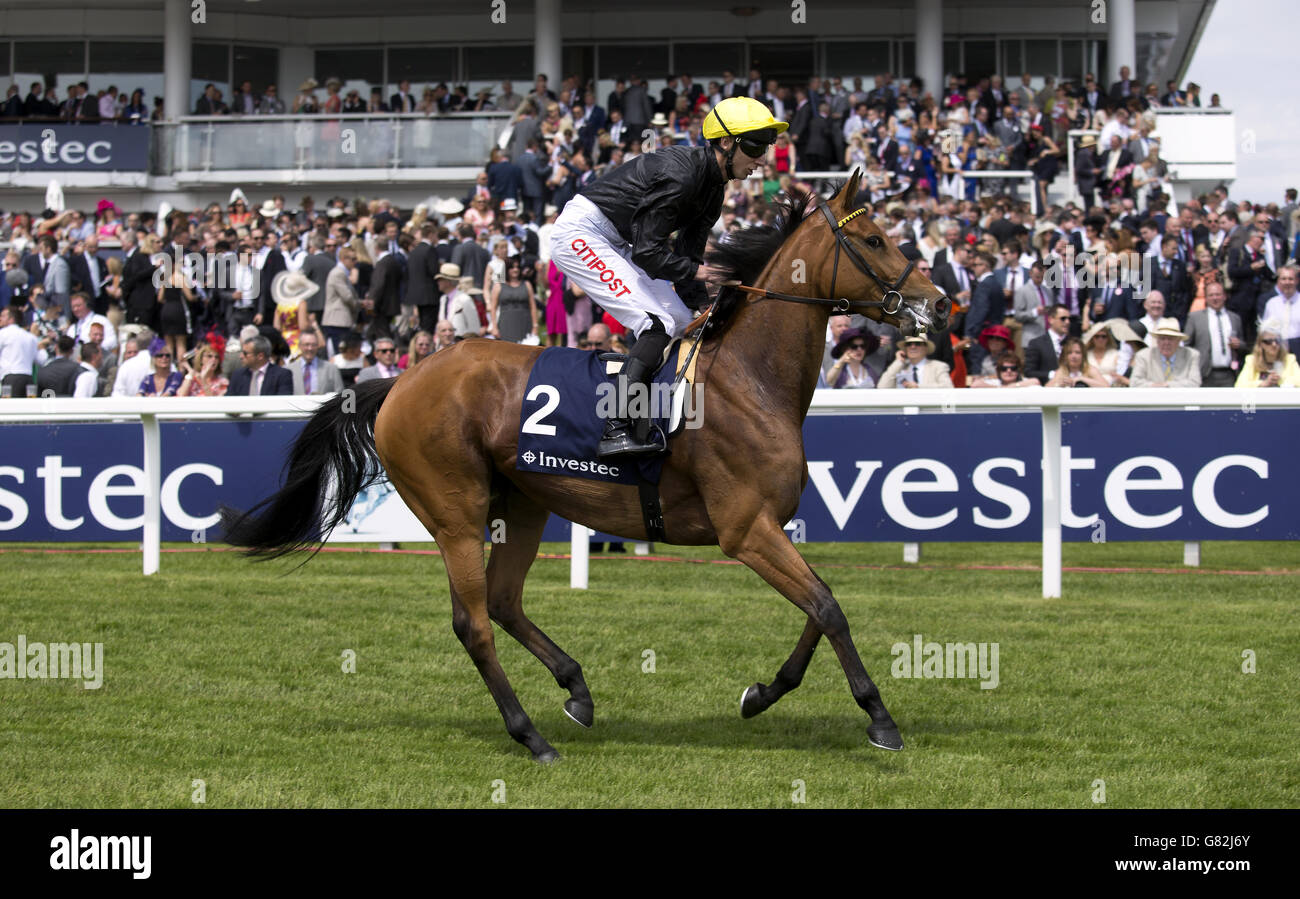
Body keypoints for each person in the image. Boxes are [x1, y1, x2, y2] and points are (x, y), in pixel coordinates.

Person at [550, 95, 787, 457]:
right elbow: (649, 253)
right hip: (582, 233)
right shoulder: (683, 174)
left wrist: (703, 305)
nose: (762, 159)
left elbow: (686, 258)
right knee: (658, 321)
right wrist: (705, 272)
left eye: (766, 148)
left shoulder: (713, 189)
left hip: (616, 239)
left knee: (679, 318)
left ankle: (647, 416)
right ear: (726, 142)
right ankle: (616, 426)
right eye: (755, 146)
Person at [1184, 280, 1243, 387]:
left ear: (1224, 296)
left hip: (1229, 373)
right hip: (1205, 373)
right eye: (1211, 295)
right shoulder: (1195, 318)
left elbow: (1243, 345)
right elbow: (1186, 345)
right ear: (1206, 298)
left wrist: (1239, 344)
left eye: (1218, 294)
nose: (1215, 298)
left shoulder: (1235, 318)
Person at [1129, 318, 1202, 387]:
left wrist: (1167, 385)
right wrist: (1154, 386)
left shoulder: (1191, 355)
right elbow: (1134, 382)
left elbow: (1195, 382)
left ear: (1179, 340)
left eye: (1171, 339)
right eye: (1162, 338)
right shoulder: (1143, 355)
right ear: (1157, 340)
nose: (1166, 343)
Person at [1235, 320, 1300, 387]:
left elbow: (1298, 381)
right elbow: (1239, 385)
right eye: (1269, 341)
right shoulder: (1251, 360)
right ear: (1260, 344)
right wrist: (1263, 383)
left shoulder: (1289, 359)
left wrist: (1280, 379)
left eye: (1277, 341)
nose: (1274, 344)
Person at [488, 258, 537, 343]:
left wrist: (535, 326)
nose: (515, 270)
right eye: (512, 267)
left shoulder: (527, 285)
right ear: (507, 270)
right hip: (506, 324)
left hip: (525, 323)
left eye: (517, 267)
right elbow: (493, 308)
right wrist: (494, 327)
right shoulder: (498, 286)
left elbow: (533, 307)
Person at [879, 334, 954, 388]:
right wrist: (898, 362)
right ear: (905, 349)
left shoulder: (938, 366)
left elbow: (948, 387)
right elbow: (882, 387)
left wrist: (918, 386)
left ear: (926, 348)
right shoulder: (899, 367)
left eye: (917, 344)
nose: (913, 347)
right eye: (909, 344)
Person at [228, 334, 293, 395]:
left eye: (245, 353)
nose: (241, 356)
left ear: (260, 356)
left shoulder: (282, 375)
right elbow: (229, 401)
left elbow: (283, 402)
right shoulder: (238, 375)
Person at [288, 330, 343, 394]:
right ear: (300, 346)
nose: (310, 348)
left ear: (317, 346)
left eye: (313, 345)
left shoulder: (331, 369)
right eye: (306, 344)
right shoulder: (289, 370)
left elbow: (340, 394)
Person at [1046, 335, 1110, 388]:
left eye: (1077, 352)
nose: (1074, 356)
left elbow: (1106, 386)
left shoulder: (1090, 369)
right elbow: (1046, 388)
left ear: (1083, 355)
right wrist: (1059, 384)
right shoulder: (1062, 370)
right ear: (1065, 356)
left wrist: (1081, 379)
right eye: (1069, 353)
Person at [969, 351, 1040, 388]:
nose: (1009, 371)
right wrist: (1000, 388)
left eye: (1013, 368)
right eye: (1004, 369)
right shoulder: (995, 382)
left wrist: (1013, 386)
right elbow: (975, 385)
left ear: (1018, 370)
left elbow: (1035, 382)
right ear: (998, 371)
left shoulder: (1024, 382)